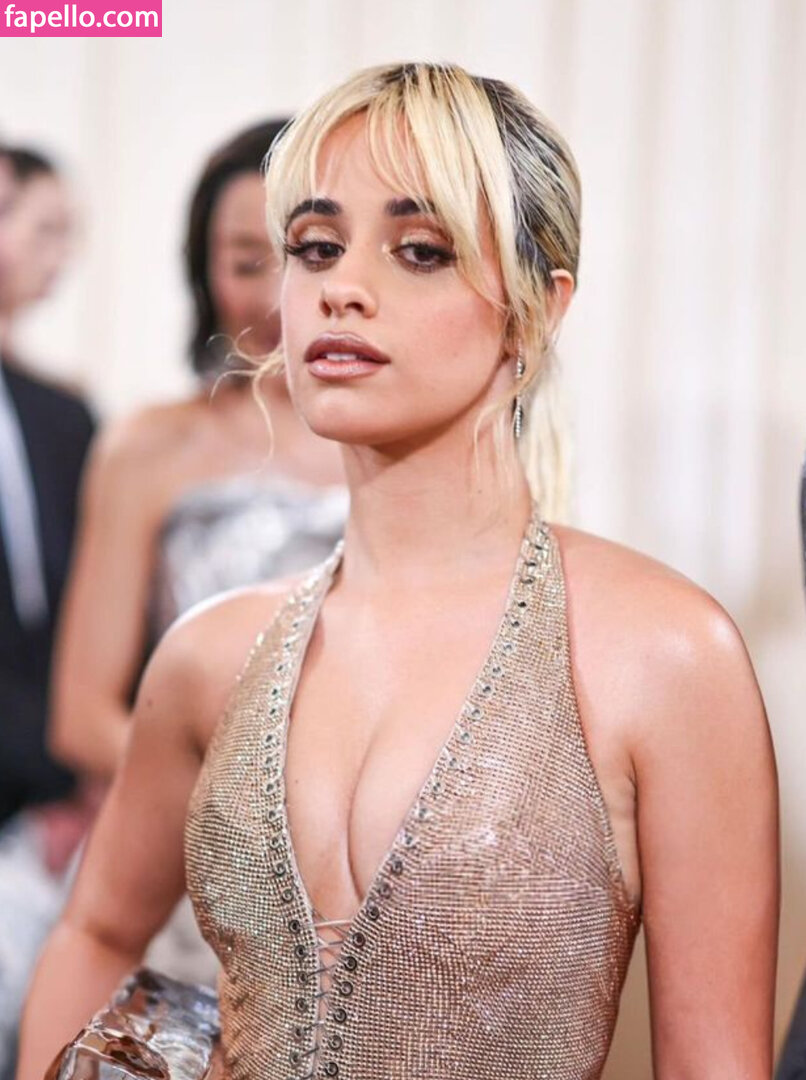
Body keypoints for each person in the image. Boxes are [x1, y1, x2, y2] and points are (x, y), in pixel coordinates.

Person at [16, 62, 778, 1080]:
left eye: (420, 251)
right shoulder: (211, 653)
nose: (342, 287)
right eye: (314, 247)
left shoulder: (661, 657)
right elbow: (97, 929)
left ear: (536, 308)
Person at [45, 121, 346, 985]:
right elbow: (81, 713)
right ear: (201, 270)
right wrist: (242, 813)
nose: (277, 297)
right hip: (187, 864)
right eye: (246, 262)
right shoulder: (149, 447)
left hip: (367, 870)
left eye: (308, 256)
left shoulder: (406, 453)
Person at [0, 146, 96, 1078]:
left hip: (40, 822)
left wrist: (77, 785)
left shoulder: (62, 417)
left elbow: (77, 622)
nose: (59, 256)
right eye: (45, 229)